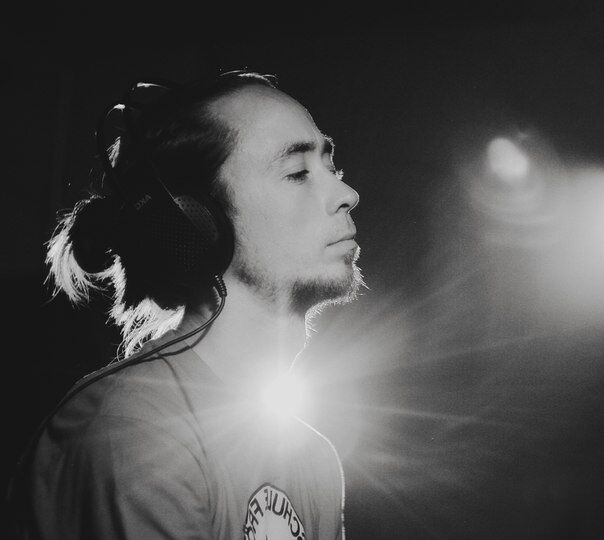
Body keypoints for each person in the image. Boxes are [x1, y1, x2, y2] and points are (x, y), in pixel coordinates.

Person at [15, 70, 362, 539]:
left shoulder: (313, 459)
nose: (347, 195)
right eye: (297, 173)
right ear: (195, 221)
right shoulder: (137, 429)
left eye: (332, 169)